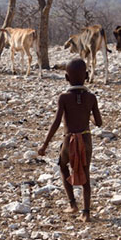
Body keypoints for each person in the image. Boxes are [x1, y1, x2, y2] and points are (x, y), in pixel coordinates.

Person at [38, 58, 103, 222]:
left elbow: (56, 122)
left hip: (68, 140)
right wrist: (88, 115)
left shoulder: (64, 98)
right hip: (86, 140)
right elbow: (99, 122)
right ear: (86, 76)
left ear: (66, 77)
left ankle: (72, 203)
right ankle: (86, 212)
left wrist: (45, 145)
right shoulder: (91, 98)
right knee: (86, 173)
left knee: (63, 165)